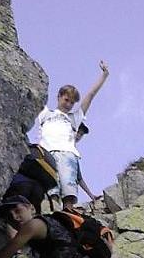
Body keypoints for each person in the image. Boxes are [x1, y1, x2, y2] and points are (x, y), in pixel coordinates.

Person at [35, 62, 109, 211]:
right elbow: (34, 94)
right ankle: (51, 213)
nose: (68, 104)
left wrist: (104, 76)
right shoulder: (45, 113)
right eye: (66, 100)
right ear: (59, 97)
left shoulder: (74, 118)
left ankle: (68, 214)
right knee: (51, 188)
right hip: (46, 153)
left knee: (68, 189)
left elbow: (90, 95)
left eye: (72, 102)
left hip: (67, 154)